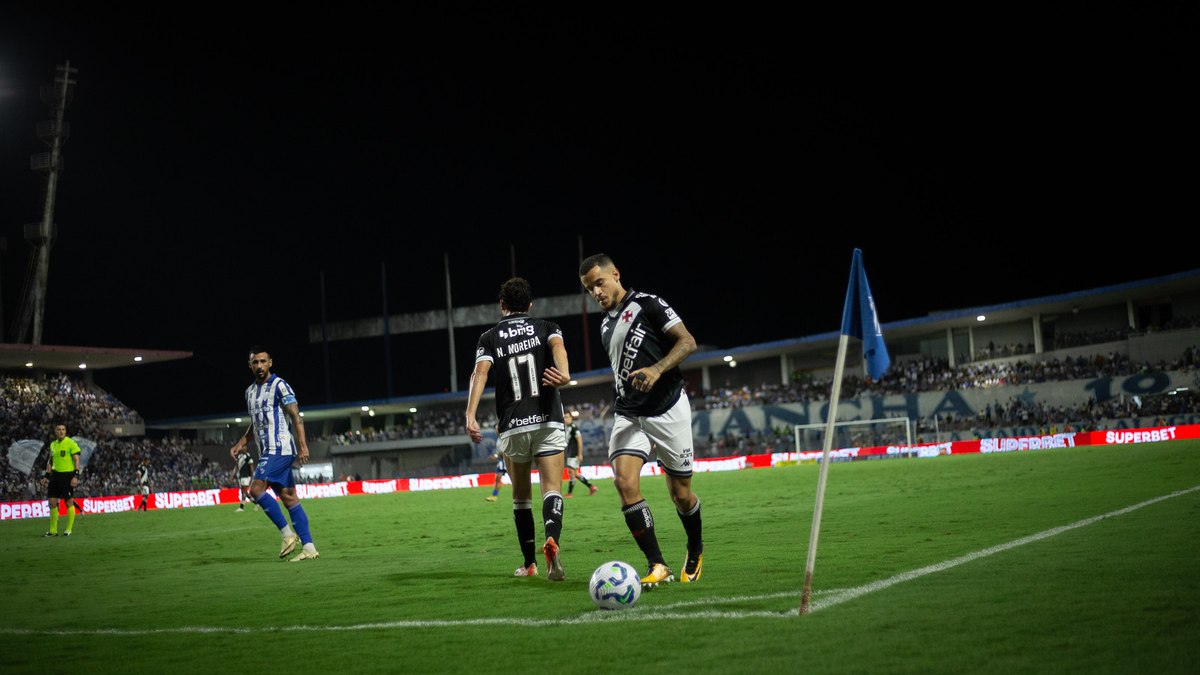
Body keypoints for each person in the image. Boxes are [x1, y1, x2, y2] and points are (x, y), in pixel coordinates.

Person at [579, 253, 704, 587]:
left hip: (667, 408)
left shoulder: (649, 304)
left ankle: (695, 547)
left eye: (599, 283)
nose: (596, 293)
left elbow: (687, 341)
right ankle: (657, 564)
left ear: (616, 275)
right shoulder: (605, 323)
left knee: (681, 495)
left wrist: (657, 369)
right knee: (624, 483)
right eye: (590, 289)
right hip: (629, 413)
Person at [465, 277, 572, 581]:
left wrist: (470, 414)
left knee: (521, 497)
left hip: (512, 424)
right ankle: (552, 539)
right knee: (552, 488)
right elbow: (558, 348)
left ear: (502, 305)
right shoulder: (547, 326)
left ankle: (529, 564)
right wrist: (564, 372)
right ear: (530, 305)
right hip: (547, 417)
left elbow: (480, 373)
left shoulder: (489, 337)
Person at [228, 346, 320, 562]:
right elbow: (256, 424)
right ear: (250, 365)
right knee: (289, 498)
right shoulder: (249, 392)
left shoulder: (280, 385)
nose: (259, 366)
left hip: (280, 448)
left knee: (255, 489)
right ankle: (309, 547)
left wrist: (303, 444)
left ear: (270, 363)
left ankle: (288, 535)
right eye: (255, 362)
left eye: (262, 361)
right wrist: (241, 441)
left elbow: (295, 415)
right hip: (266, 452)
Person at [39, 423, 81, 537]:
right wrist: (46, 476)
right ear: (55, 431)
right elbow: (50, 461)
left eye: (63, 429)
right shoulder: (53, 444)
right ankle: (53, 531)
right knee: (52, 502)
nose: (61, 431)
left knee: (68, 502)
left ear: (65, 431)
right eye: (59, 429)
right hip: (55, 476)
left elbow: (77, 460)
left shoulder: (70, 443)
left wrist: (76, 476)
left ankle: (69, 529)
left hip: (67, 476)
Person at [563, 410, 597, 498]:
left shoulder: (574, 428)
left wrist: (580, 454)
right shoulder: (567, 428)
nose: (565, 419)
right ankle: (591, 487)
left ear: (571, 418)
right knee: (575, 474)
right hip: (570, 453)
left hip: (573, 453)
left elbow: (580, 440)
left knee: (571, 472)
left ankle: (570, 493)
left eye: (567, 417)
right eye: (564, 417)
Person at [232, 448, 257, 512]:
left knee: (244, 492)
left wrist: (252, 477)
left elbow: (251, 467)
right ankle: (257, 503)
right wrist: (232, 475)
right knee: (244, 492)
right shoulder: (240, 456)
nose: (241, 448)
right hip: (241, 476)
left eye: (243, 447)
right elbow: (236, 466)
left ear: (245, 448)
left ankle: (241, 508)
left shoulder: (248, 456)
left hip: (246, 476)